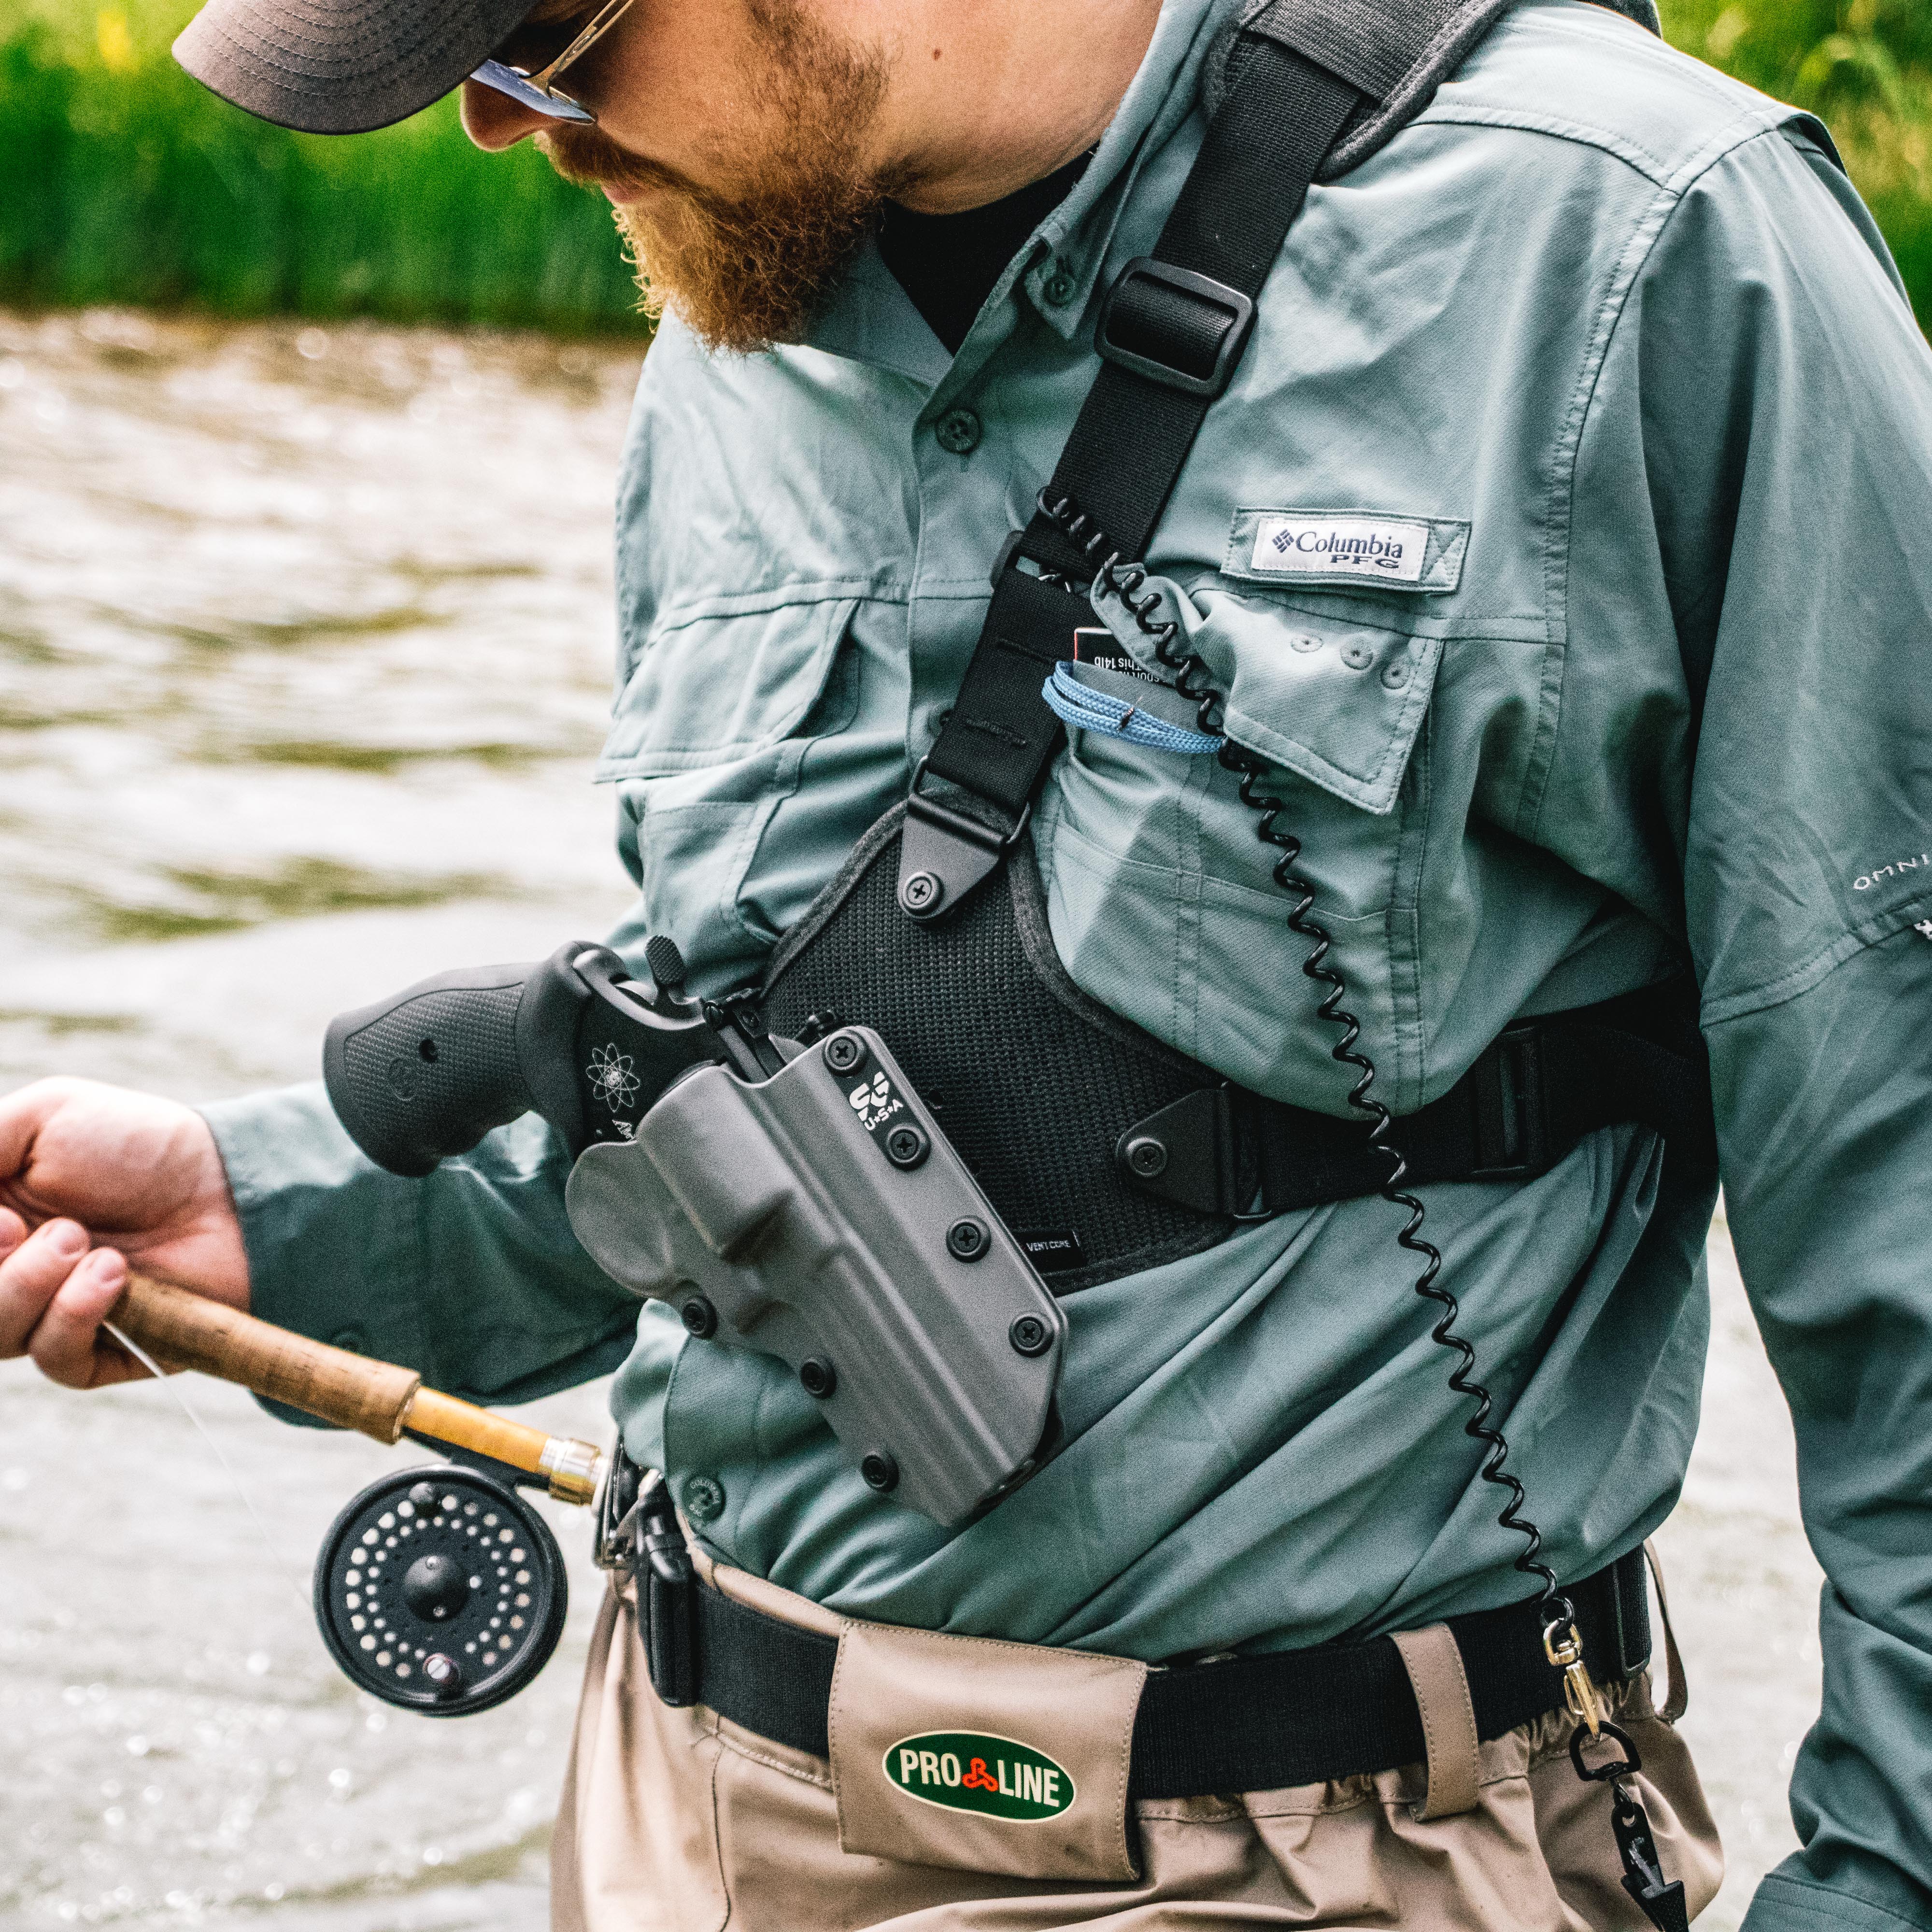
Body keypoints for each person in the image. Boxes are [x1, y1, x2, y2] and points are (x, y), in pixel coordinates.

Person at [5, 0, 1932, 1924]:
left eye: (555, 29)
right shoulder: (736, 303)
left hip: (1306, 1856)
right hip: (672, 1812)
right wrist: (269, 1218)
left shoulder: (1642, 244)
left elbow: (1902, 1188)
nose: (519, 126)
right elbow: (788, 1099)